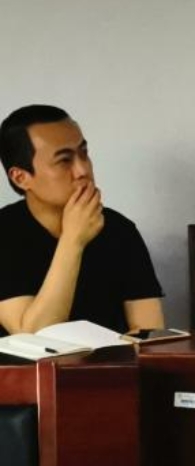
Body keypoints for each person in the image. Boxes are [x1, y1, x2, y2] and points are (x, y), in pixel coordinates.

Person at [0, 105, 163, 336]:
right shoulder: (5, 233)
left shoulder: (120, 230)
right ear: (21, 178)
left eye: (84, 153)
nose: (82, 170)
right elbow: (34, 336)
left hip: (111, 359)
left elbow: (151, 334)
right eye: (64, 160)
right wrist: (73, 241)